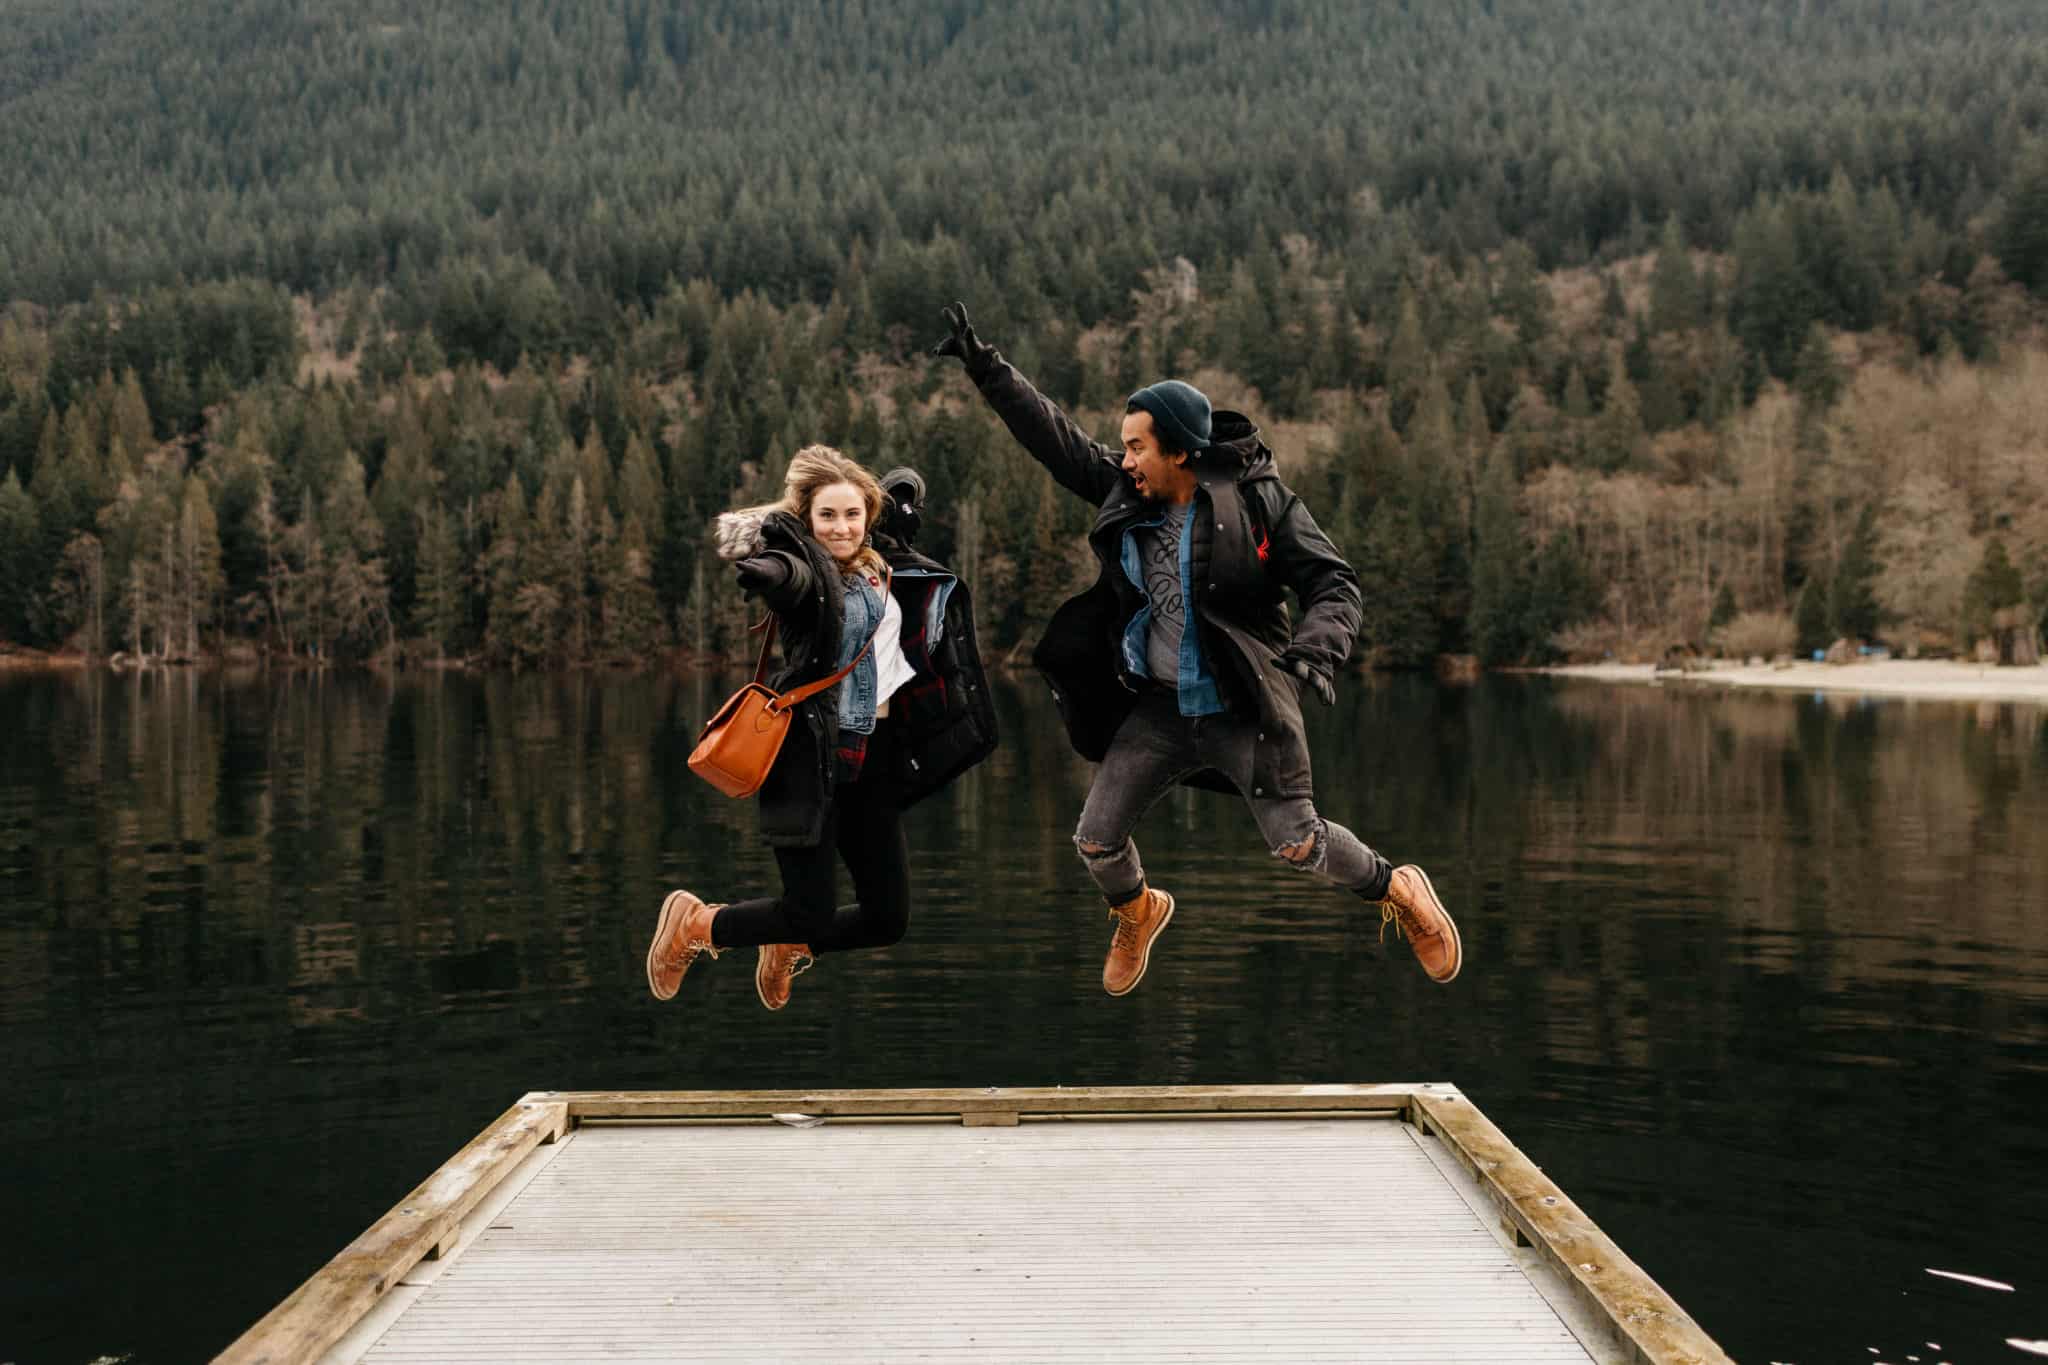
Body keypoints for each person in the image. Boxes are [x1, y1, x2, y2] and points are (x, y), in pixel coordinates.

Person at [930, 302, 1462, 995]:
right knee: (1095, 839)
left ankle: (1397, 886)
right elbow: (1055, 439)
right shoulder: (1131, 491)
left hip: (1243, 704)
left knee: (1298, 841)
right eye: (1122, 447)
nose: (1123, 459)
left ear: (1179, 450)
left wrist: (1316, 650)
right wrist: (986, 368)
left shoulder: (1260, 501)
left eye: (1137, 446)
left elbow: (1334, 582)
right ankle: (1139, 910)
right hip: (1158, 708)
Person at [646, 447, 995, 1009]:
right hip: (810, 757)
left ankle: (789, 946)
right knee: (807, 908)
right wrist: (767, 573)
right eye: (827, 516)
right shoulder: (804, 567)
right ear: (805, 518)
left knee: (887, 920)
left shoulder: (879, 561)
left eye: (853, 515)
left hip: (874, 759)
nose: (841, 528)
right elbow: (793, 578)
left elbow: (895, 521)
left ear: (869, 516)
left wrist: (902, 495)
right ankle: (697, 924)